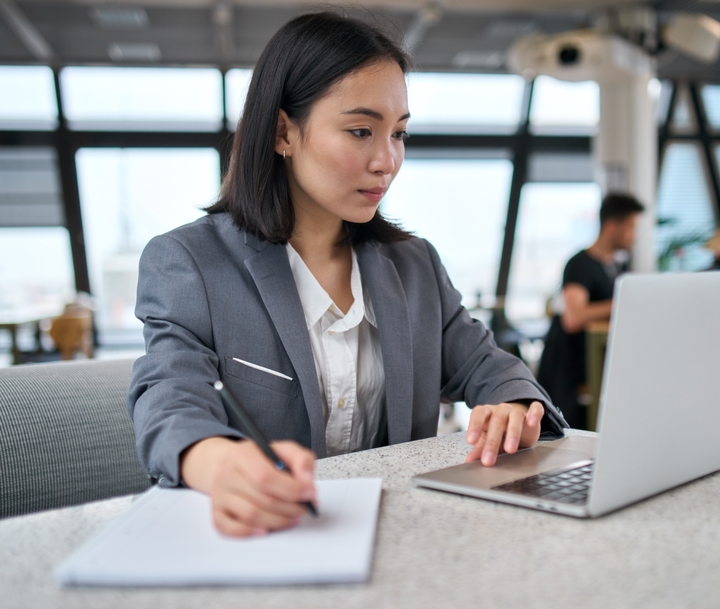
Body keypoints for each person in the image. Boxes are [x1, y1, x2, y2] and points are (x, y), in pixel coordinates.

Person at [127, 12, 567, 538]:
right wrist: (217, 463)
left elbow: (489, 365)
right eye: (361, 131)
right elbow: (168, 392)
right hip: (268, 541)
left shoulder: (415, 265)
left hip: (401, 538)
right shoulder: (189, 261)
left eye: (398, 134)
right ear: (282, 132)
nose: (387, 161)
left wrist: (514, 405)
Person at [536, 193, 644, 430]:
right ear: (612, 226)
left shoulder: (614, 266)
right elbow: (573, 318)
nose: (634, 236)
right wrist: (621, 303)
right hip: (568, 369)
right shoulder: (580, 264)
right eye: (631, 227)